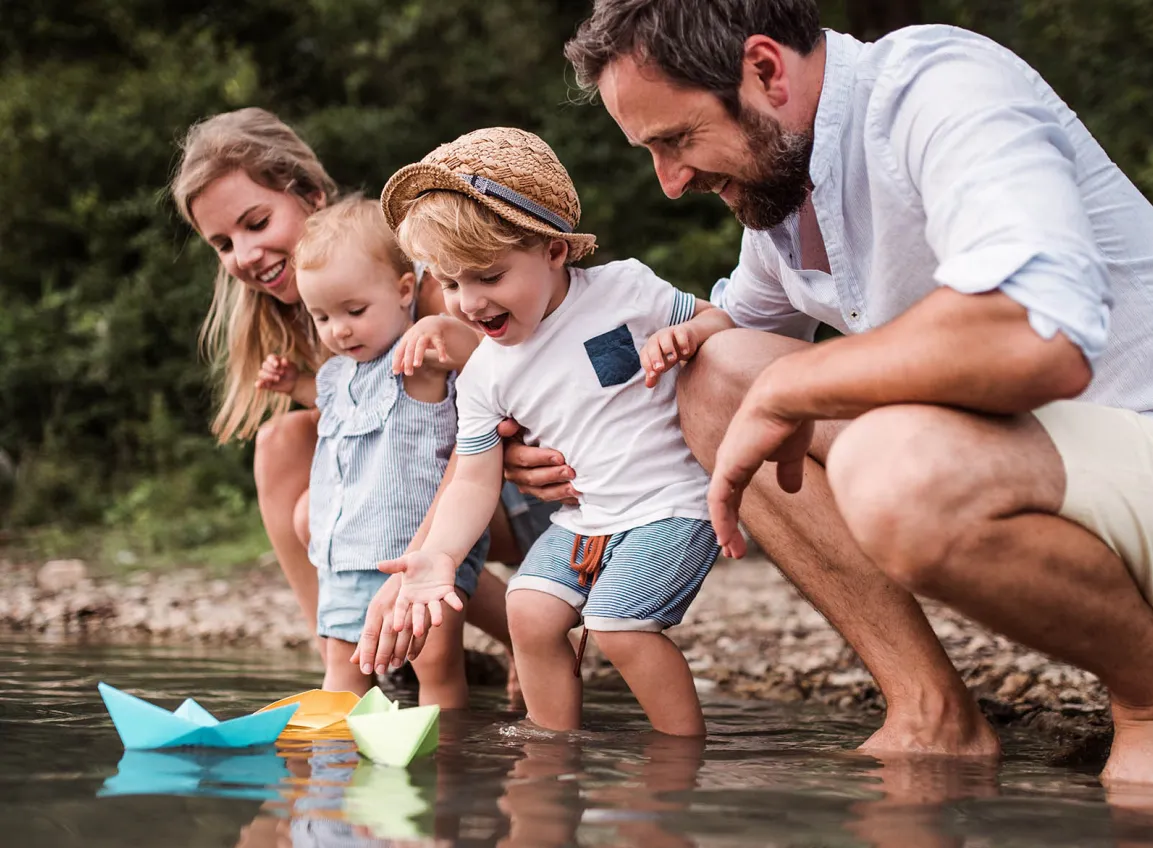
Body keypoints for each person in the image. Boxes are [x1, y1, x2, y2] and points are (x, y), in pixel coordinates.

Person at [544, 0, 1153, 785]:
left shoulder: (939, 86)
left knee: (891, 465)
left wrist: (797, 381)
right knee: (715, 375)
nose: (670, 182)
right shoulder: (782, 198)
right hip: (1053, 471)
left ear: (764, 70)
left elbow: (1037, 336)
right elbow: (723, 350)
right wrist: (553, 448)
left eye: (678, 140)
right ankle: (933, 714)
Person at [369, 127, 733, 736]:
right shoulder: (484, 372)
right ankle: (551, 750)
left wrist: (691, 336)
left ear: (554, 251)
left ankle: (680, 756)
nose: (469, 302)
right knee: (528, 611)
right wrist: (439, 555)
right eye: (452, 282)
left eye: (488, 276)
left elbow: (720, 322)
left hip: (671, 503)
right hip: (583, 519)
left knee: (619, 627)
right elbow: (474, 481)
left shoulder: (625, 291)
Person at [170, 108, 529, 688]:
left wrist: (420, 566)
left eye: (256, 222)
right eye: (223, 243)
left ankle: (474, 634)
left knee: (325, 513)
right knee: (282, 441)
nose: (245, 254)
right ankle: (349, 657)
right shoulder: (317, 320)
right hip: (420, 502)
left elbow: (488, 425)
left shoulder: (424, 286)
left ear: (310, 195)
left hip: (512, 480)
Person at [247, 195, 492, 702]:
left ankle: (449, 762)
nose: (339, 329)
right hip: (344, 555)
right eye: (321, 317)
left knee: (437, 670)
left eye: (354, 311)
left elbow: (481, 360)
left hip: (413, 555)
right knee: (342, 669)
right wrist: (296, 384)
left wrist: (441, 327)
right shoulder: (338, 373)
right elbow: (335, 405)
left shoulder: (418, 360)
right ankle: (332, 769)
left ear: (405, 291)